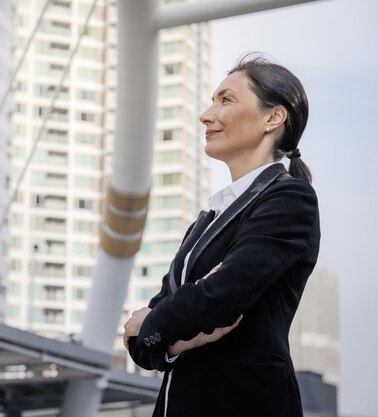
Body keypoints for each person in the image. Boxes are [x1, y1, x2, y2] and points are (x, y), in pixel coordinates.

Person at [122, 55, 320, 417]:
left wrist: (158, 318)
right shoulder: (208, 219)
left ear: (273, 118)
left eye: (225, 100)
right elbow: (140, 345)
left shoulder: (290, 199)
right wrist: (179, 334)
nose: (206, 115)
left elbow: (225, 294)